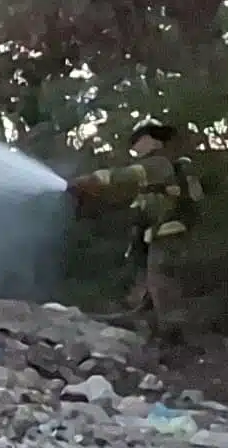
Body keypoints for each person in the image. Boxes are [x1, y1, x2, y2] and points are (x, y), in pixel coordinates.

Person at [70, 123, 202, 346]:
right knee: (152, 290)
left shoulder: (158, 163)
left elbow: (126, 176)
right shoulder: (159, 166)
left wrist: (92, 179)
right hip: (158, 236)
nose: (135, 145)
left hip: (168, 236)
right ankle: (157, 335)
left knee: (163, 286)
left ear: (153, 140)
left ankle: (174, 342)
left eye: (139, 139)